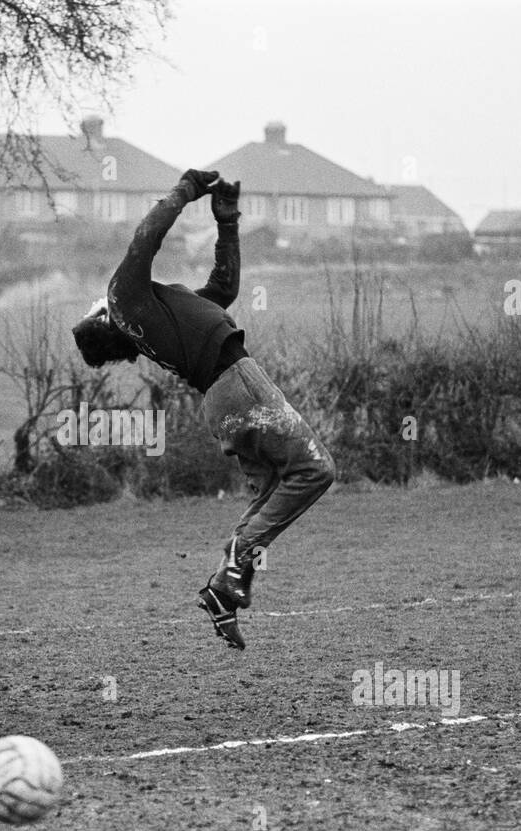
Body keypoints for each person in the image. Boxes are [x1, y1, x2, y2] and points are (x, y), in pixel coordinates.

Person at [72, 169, 335, 649]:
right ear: (102, 317)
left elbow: (224, 286)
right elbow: (147, 235)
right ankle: (237, 559)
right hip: (238, 383)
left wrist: (226, 219)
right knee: (315, 470)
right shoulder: (122, 298)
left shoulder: (158, 312)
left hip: (222, 400)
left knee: (270, 492)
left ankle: (222, 592)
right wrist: (186, 189)